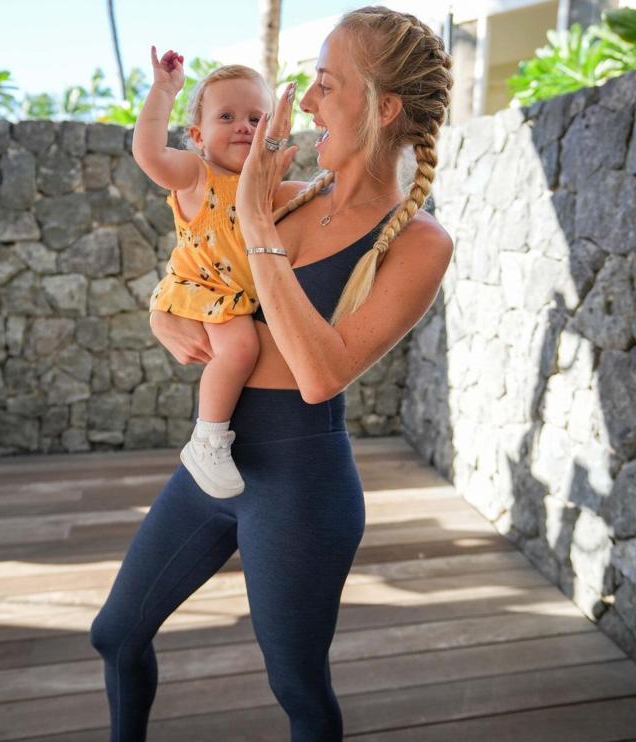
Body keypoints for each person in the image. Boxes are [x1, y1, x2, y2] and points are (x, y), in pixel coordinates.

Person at [90, 6, 454, 741]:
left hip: (302, 485)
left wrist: (259, 227)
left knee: (296, 687)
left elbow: (321, 372)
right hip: (216, 462)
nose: (308, 101)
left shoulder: (418, 242)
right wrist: (165, 311)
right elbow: (202, 266)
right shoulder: (292, 200)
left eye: (325, 83)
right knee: (115, 634)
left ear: (383, 108)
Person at [135, 50, 279, 498]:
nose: (244, 126)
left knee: (241, 346)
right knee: (239, 349)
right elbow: (150, 154)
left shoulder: (263, 181)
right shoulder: (198, 173)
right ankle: (208, 439)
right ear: (198, 135)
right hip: (203, 287)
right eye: (228, 116)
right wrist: (164, 91)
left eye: (257, 119)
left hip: (235, 292)